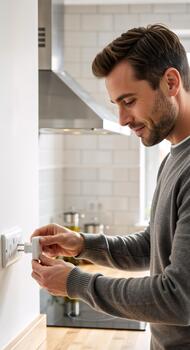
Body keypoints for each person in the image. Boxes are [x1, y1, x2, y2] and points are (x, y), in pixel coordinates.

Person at [31, 24, 190, 350]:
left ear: (171, 82)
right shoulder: (174, 158)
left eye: (129, 101)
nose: (121, 118)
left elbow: (178, 299)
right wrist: (80, 244)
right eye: (116, 103)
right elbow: (151, 246)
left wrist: (75, 282)